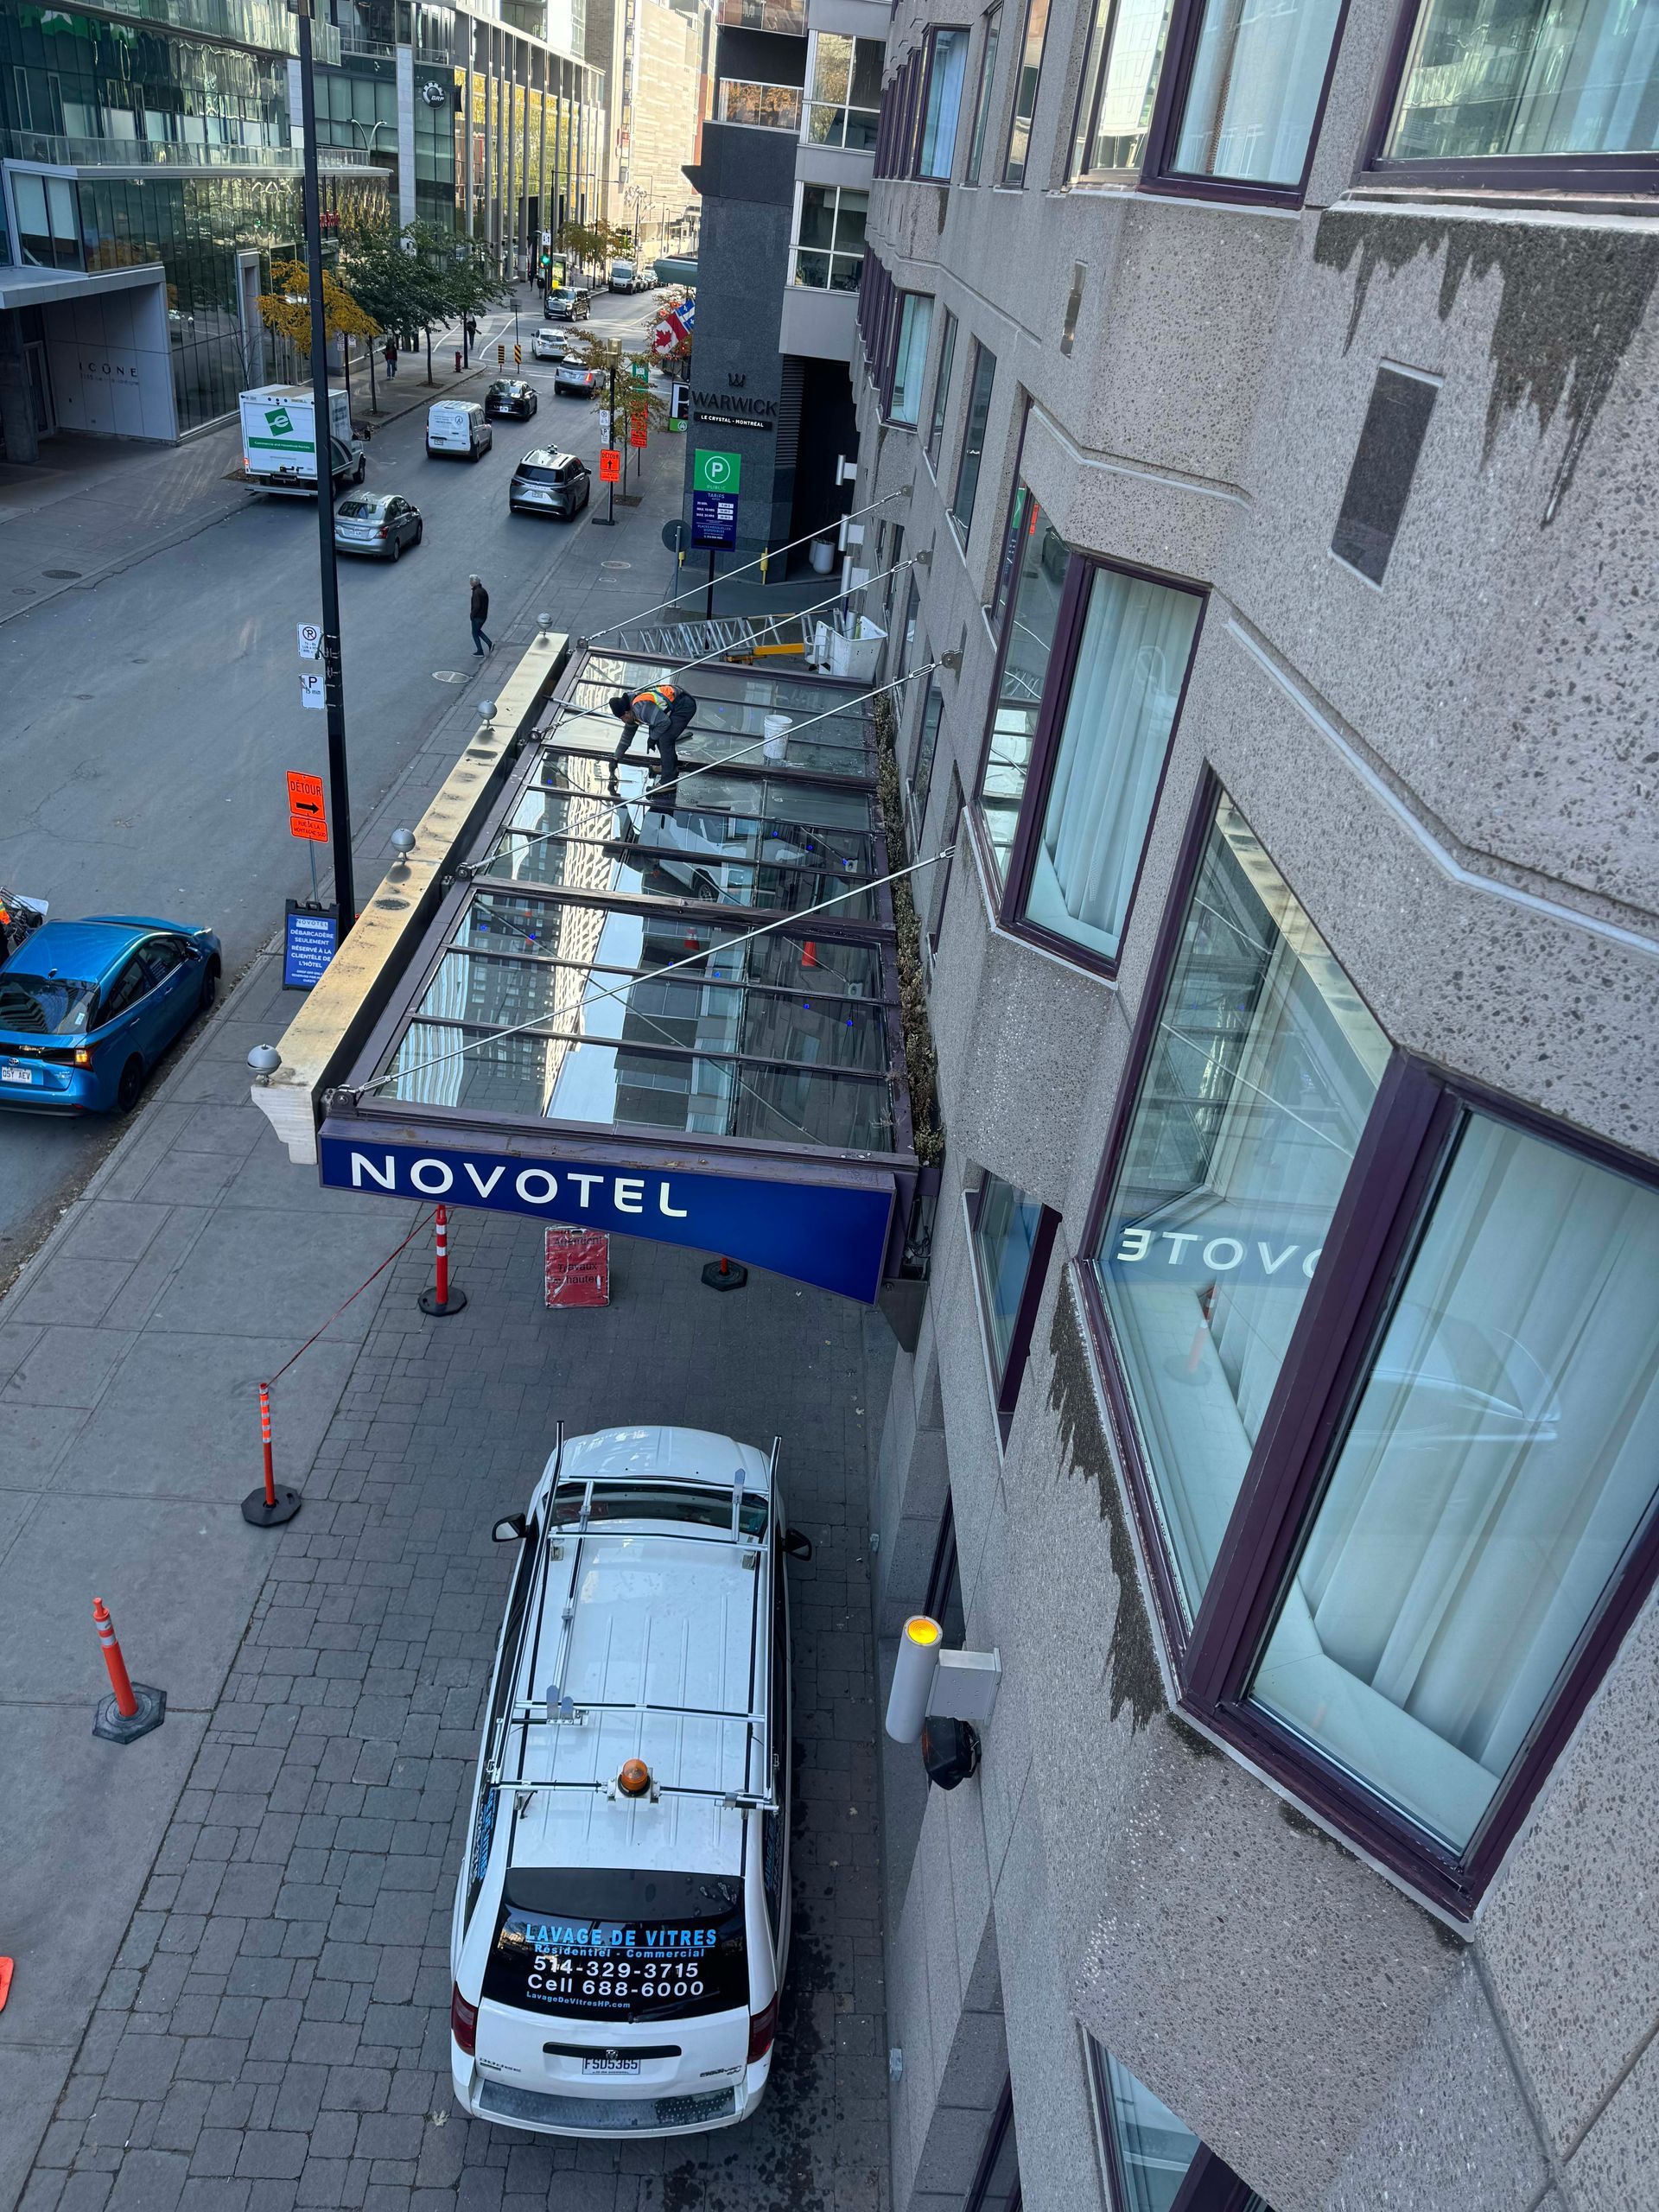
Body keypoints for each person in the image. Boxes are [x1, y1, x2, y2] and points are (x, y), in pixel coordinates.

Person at [609, 682, 696, 798]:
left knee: (665, 739)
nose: (623, 721)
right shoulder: (632, 710)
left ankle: (668, 782)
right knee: (659, 734)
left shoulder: (640, 708)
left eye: (622, 718)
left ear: (626, 712)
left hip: (684, 706)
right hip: (676, 704)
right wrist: (616, 758)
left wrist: (652, 738)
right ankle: (668, 767)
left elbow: (665, 722)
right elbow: (626, 737)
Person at [469, 575, 493, 657]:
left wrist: (472, 615)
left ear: (474, 582)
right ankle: (489, 643)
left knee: (475, 633)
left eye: (471, 581)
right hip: (483, 615)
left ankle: (480, 651)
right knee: (477, 631)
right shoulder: (482, 590)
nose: (470, 582)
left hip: (477, 617)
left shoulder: (476, 592)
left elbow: (476, 606)